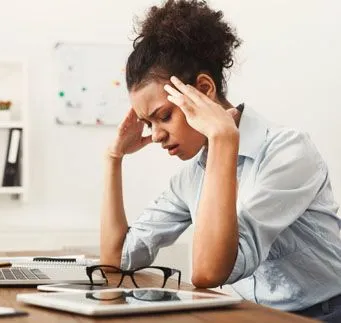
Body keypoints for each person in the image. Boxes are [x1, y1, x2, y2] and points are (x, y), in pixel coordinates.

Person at [99, 0, 341, 321]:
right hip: (253, 314)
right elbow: (115, 260)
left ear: (203, 89)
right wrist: (113, 157)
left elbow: (209, 273)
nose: (155, 135)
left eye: (164, 116)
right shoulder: (189, 177)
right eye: (148, 124)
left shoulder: (288, 150)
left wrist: (223, 137)